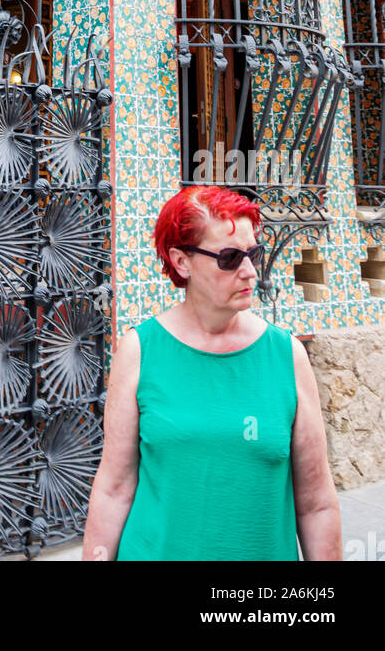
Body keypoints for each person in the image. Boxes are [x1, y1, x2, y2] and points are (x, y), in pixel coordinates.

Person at [82, 185, 342, 561]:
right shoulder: (140, 351)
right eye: (230, 258)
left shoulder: (287, 356)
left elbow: (316, 504)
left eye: (253, 254)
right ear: (181, 261)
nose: (250, 271)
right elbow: (114, 488)